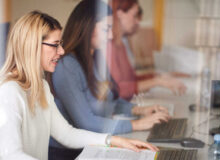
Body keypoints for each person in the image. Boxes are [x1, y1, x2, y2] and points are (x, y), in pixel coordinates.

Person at [0, 10, 158, 160]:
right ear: (32, 46)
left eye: (60, 44)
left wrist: (114, 140)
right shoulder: (8, 91)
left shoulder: (41, 87)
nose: (61, 51)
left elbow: (67, 134)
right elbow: (11, 154)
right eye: (55, 45)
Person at [48, 0, 168, 159]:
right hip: (70, 153)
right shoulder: (67, 66)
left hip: (93, 143)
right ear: (87, 27)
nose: (111, 35)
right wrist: (137, 124)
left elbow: (108, 101)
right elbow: (87, 123)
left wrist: (139, 110)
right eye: (106, 29)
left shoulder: (95, 57)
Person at [109, 0, 187, 101]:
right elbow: (119, 90)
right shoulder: (109, 45)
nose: (137, 21)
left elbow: (131, 80)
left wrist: (159, 77)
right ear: (120, 14)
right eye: (134, 15)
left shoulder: (120, 44)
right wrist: (158, 81)